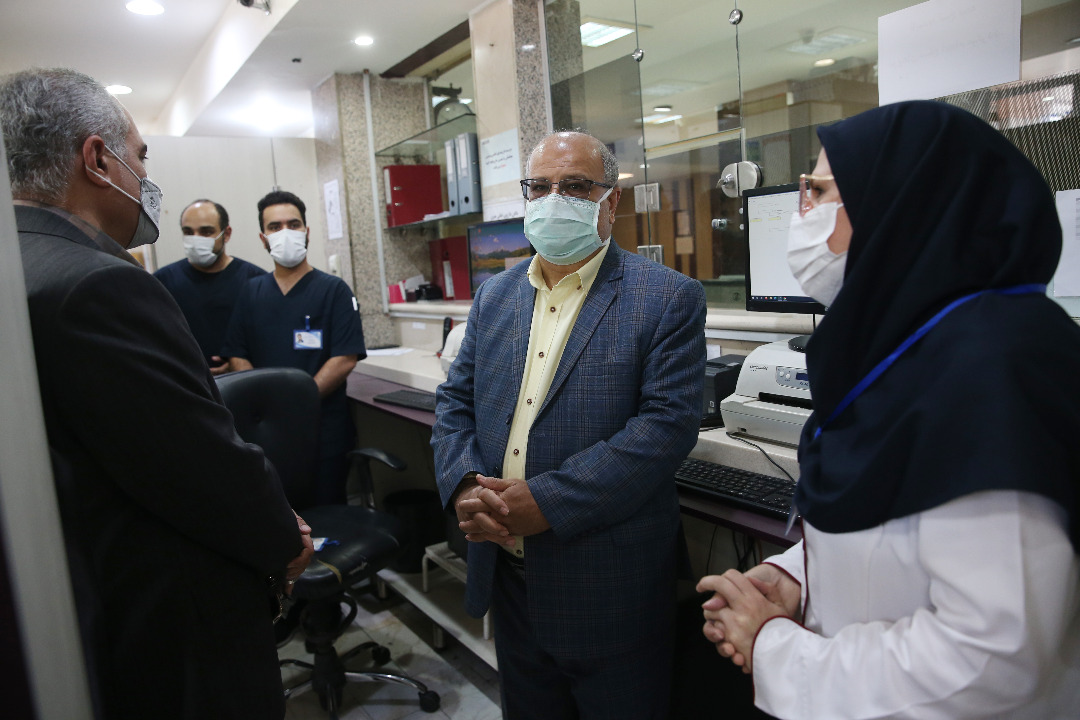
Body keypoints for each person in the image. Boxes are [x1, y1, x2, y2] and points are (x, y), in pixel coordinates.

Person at [698, 100, 1080, 719]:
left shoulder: (994, 369)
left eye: (818, 191)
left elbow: (991, 656)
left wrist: (776, 649)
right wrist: (798, 578)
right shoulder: (914, 342)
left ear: (900, 205)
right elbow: (898, 535)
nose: (801, 213)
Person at [2, 67, 314, 719]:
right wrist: (284, 538)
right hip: (174, 628)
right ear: (98, 160)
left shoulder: (19, 268)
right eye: (140, 157)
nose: (145, 177)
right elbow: (202, 466)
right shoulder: (100, 284)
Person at [431, 131, 707, 719]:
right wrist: (465, 485)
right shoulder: (495, 296)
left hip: (609, 582)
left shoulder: (667, 297)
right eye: (540, 187)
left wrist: (547, 503)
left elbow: (665, 428)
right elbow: (454, 401)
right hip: (508, 572)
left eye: (576, 186)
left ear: (611, 201)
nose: (555, 200)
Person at [223, 190, 366, 505]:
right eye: (275, 227)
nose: (285, 232)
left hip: (322, 431)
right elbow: (237, 354)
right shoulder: (250, 293)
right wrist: (268, 407)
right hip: (264, 435)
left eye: (293, 224)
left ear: (307, 231)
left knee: (326, 517)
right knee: (275, 517)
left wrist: (295, 405)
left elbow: (344, 358)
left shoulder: (334, 291)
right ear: (263, 238)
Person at [153, 199, 265, 375]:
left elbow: (266, 340)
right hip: (183, 383)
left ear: (226, 234)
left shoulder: (256, 281)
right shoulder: (162, 282)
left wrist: (238, 366)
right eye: (188, 232)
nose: (196, 239)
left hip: (243, 382)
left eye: (206, 232)